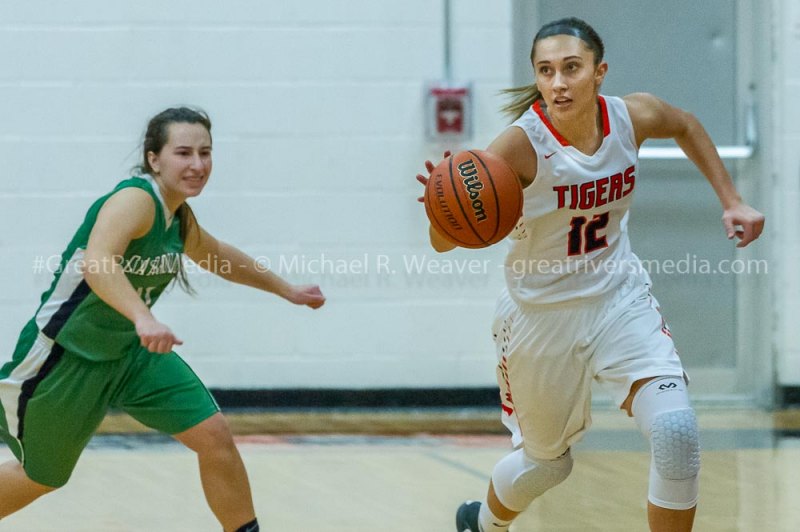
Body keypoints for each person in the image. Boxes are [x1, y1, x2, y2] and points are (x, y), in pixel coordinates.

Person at [416, 17, 764, 532]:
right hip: (540, 317)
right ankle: (484, 524)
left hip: (618, 299)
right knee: (547, 465)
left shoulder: (632, 116)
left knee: (676, 434)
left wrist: (732, 200)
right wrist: (442, 209)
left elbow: (686, 124)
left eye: (571, 68)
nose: (558, 82)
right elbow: (442, 242)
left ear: (599, 72)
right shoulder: (518, 147)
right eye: (546, 71)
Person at [0, 107, 325, 531]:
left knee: (213, 434)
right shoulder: (135, 200)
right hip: (68, 355)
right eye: (184, 153)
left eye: (205, 153)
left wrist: (287, 289)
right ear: (154, 159)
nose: (198, 164)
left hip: (132, 353)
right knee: (41, 476)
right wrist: (143, 317)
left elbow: (217, 255)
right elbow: (98, 263)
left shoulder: (178, 216)